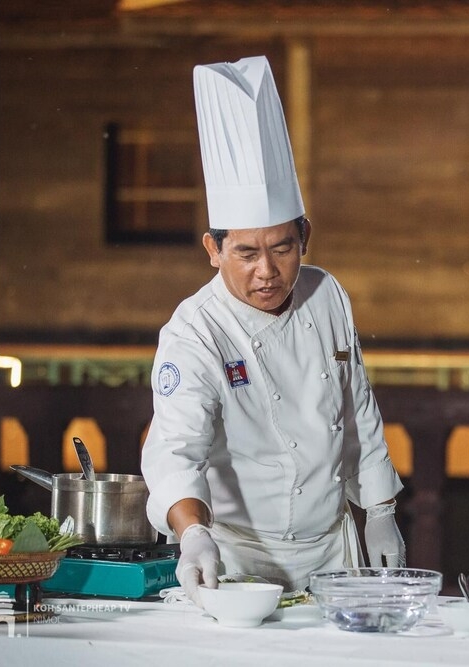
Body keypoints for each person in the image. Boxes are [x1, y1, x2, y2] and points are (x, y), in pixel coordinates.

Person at [141, 56, 405, 606]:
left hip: (334, 554)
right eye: (245, 253)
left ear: (304, 235)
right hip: (235, 560)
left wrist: (379, 511)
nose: (267, 271)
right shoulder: (195, 331)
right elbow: (176, 450)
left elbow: (357, 408)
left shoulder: (326, 292)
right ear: (213, 250)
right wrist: (192, 535)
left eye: (282, 247)